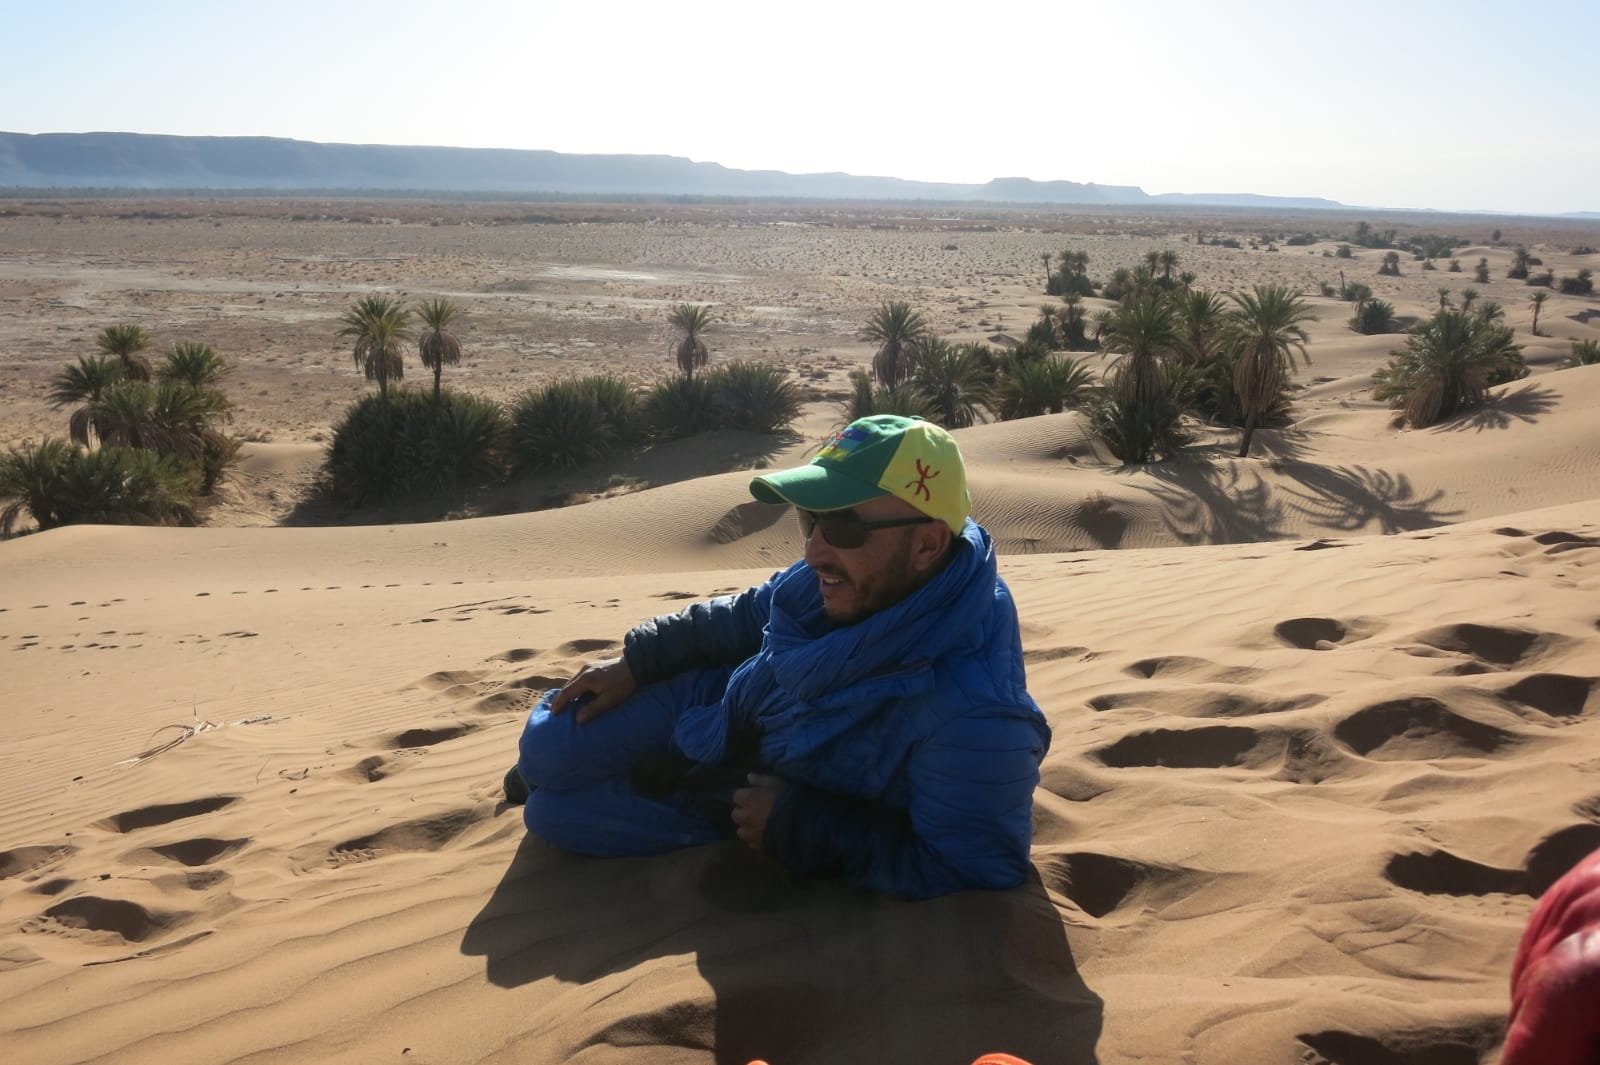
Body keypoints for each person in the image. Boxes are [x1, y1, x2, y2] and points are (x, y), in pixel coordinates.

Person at [506, 414, 1051, 900]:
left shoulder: (976, 712)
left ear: (929, 545)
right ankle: (566, 766)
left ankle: (594, 776)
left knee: (556, 815)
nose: (813, 551)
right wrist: (639, 660)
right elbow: (748, 614)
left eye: (840, 525)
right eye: (808, 520)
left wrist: (804, 825)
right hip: (728, 699)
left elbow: (975, 866)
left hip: (769, 786)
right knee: (545, 749)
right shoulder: (860, 572)